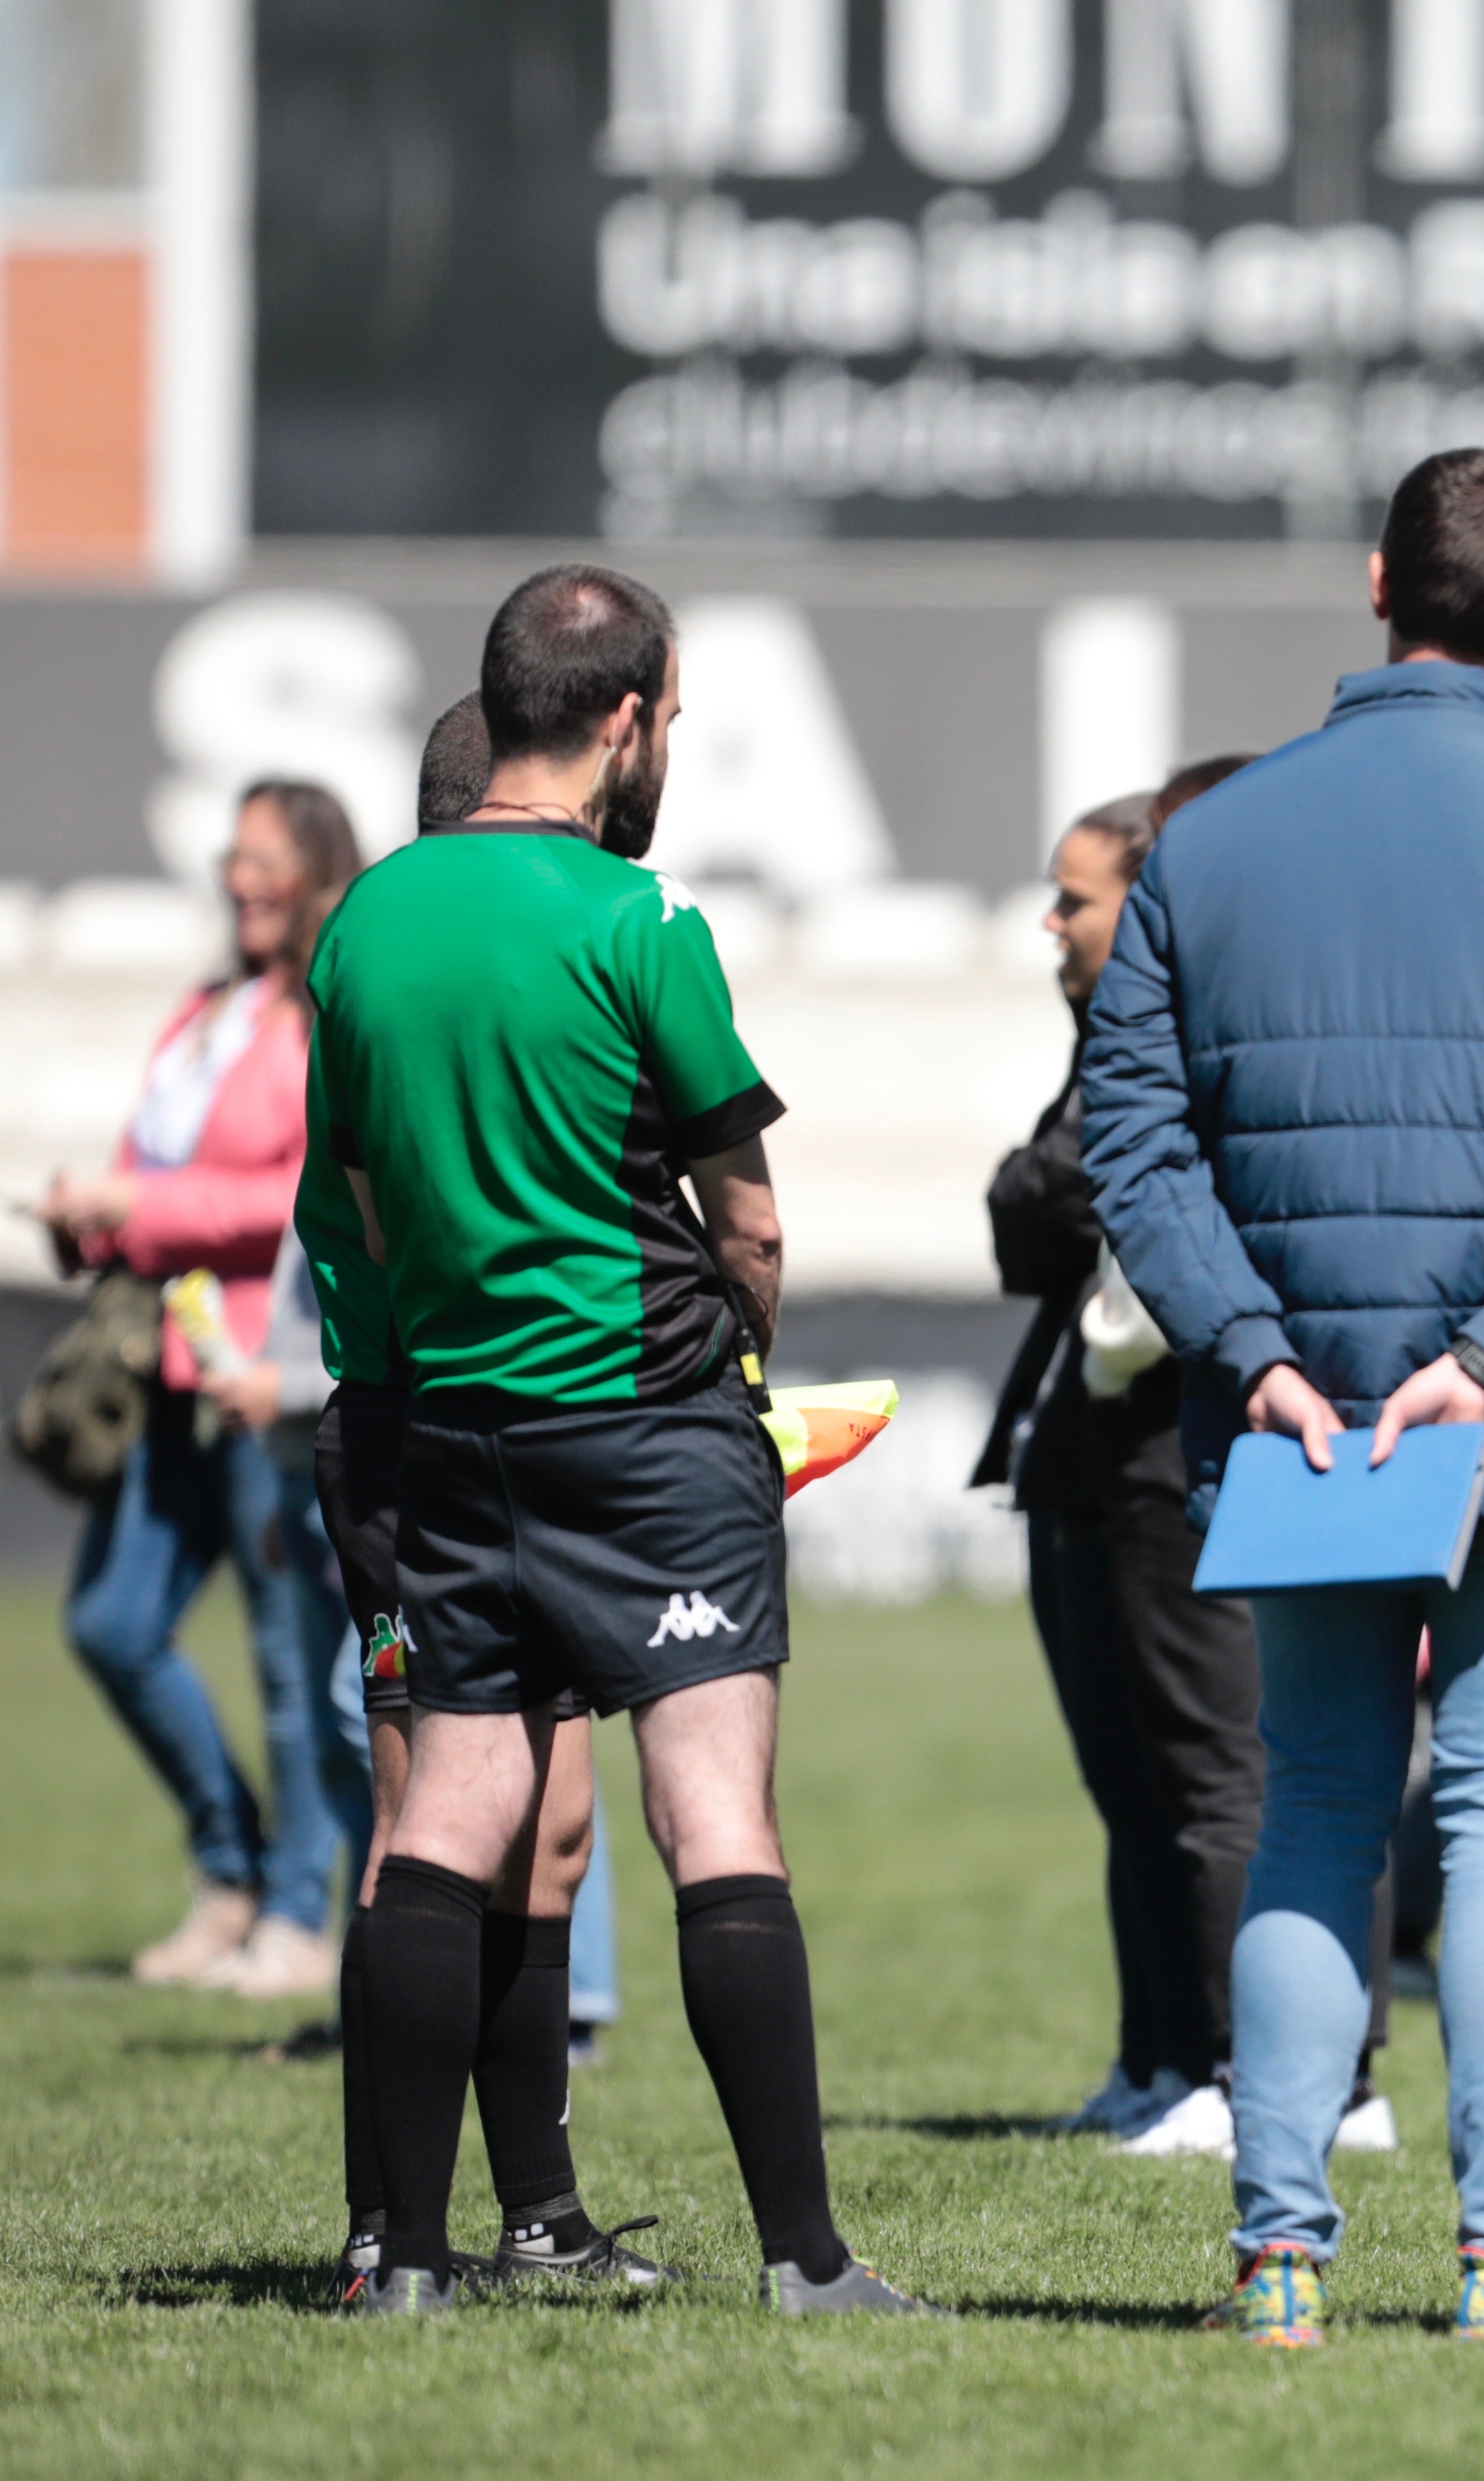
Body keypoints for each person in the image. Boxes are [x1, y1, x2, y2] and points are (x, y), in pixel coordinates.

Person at [1081, 449, 1484, 2349]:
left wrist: (1260, 1356)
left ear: (1378, 584)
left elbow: (1136, 1144)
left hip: (1303, 1429)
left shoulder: (1205, 844)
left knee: (1315, 1817)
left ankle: (1279, 2260)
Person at [311, 563, 930, 2317]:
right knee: (712, 1808)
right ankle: (807, 2261)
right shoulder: (636, 921)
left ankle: (409, 2264)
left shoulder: (365, 923)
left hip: (449, 1428)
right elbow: (749, 1222)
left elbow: (359, 1194)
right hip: (647, 1428)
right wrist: (748, 1366)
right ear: (630, 717)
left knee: (450, 1810)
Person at [309, 693, 660, 2301]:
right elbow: (365, 1218)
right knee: (422, 1824)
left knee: (554, 1832)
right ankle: (392, 2225)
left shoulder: (422, 947)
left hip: (508, 1426)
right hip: (413, 1430)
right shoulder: (399, 953)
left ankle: (539, 2215)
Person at [977, 769, 1271, 2160]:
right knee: (1130, 1778)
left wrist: (1042, 1183)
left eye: (1075, 896)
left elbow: (1066, 1197)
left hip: (1172, 1443)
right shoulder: (1109, 1041)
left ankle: (1244, 2065)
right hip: (1089, 1449)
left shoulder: (1188, 1040)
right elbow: (1032, 1216)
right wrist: (1041, 1187)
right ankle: (1161, 2054)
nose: (1053, 922)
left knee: (1211, 1770)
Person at [48, 777, 365, 2000]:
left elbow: (295, 1193)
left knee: (293, 1659)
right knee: (111, 1625)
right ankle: (229, 1863)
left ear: (315, 874)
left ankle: (294, 1914)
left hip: (262, 1373)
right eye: (233, 859)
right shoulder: (202, 1010)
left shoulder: (320, 1013)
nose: (242, 879)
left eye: (267, 860)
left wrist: (147, 1208)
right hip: (167, 1366)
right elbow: (152, 1166)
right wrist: (94, 1221)